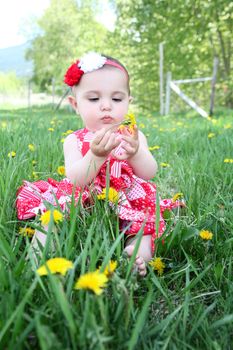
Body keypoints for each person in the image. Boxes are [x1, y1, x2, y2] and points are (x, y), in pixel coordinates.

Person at [16, 52, 181, 276]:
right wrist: (95, 156)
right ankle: (36, 260)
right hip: (83, 197)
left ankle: (136, 256)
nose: (106, 106)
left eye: (117, 99)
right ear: (75, 104)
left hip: (124, 195)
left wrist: (136, 154)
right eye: (94, 99)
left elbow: (148, 173)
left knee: (144, 226)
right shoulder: (74, 140)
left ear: (128, 102)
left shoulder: (133, 137)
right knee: (52, 217)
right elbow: (76, 179)